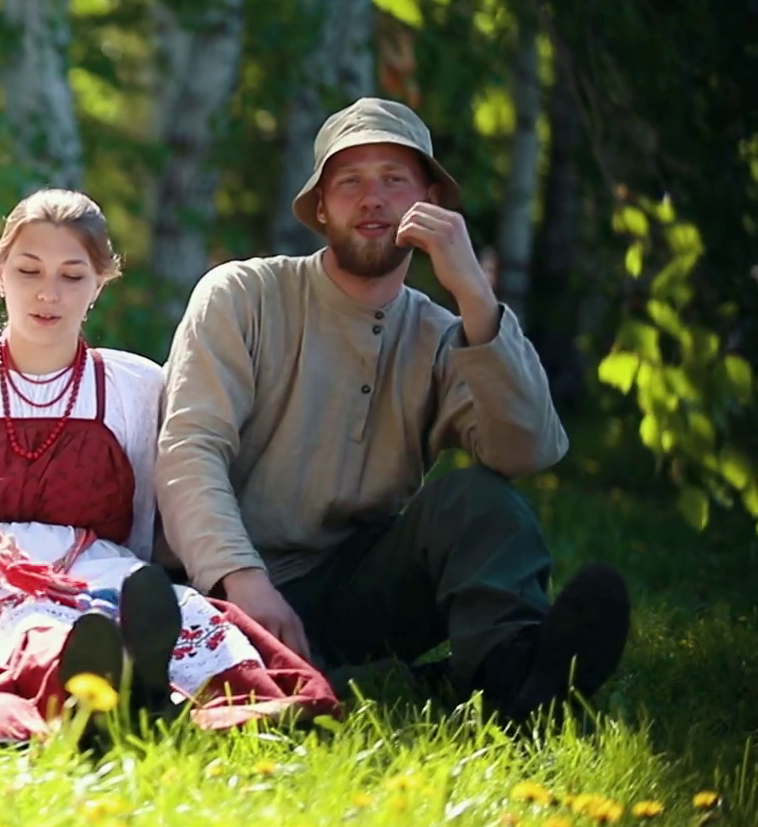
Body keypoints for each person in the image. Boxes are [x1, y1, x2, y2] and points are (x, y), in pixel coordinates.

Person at [155, 97, 631, 722]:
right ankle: (422, 684)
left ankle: (512, 675)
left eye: (393, 180)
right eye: (349, 182)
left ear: (429, 200)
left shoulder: (441, 335)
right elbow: (189, 449)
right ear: (320, 207)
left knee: (481, 501)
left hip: (356, 592)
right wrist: (242, 579)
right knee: (209, 634)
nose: (372, 199)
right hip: (221, 597)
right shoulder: (244, 295)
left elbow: (529, 450)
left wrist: (475, 294)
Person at [0, 190, 338, 739]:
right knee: (28, 632)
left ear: (100, 284)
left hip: (98, 571)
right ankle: (110, 689)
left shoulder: (136, 386)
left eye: (72, 275)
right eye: (29, 270)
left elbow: (165, 500)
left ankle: (150, 683)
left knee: (188, 617)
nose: (48, 292)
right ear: (0, 272)